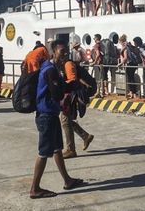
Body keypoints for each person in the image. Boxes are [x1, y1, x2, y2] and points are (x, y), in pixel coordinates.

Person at [29, 39, 83, 199]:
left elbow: (61, 88)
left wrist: (74, 86)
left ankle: (67, 180)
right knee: (43, 152)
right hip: (46, 116)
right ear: (53, 52)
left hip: (51, 114)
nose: (65, 55)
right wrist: (68, 91)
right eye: (62, 52)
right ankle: (34, 188)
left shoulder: (54, 69)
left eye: (66, 52)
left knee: (57, 149)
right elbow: (57, 94)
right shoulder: (50, 70)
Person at [60, 58, 94, 159]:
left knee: (65, 121)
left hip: (70, 96)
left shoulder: (68, 64)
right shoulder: (64, 64)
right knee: (67, 121)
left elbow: (73, 80)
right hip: (68, 96)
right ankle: (85, 136)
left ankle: (71, 150)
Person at [117, 34, 139, 99]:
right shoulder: (129, 45)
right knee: (131, 78)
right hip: (134, 64)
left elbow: (126, 58)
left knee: (130, 79)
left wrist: (120, 64)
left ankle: (133, 93)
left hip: (130, 64)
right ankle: (132, 92)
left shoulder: (125, 48)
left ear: (121, 41)